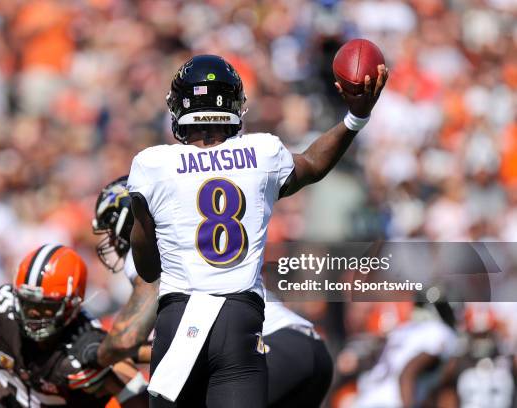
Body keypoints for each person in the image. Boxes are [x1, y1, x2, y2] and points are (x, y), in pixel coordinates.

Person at [99, 53, 385, 407]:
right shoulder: (262, 152)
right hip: (240, 320)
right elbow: (313, 163)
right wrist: (356, 118)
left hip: (180, 316)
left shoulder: (152, 164)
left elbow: (147, 265)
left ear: (179, 106)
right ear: (234, 105)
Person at [90, 176, 333, 407]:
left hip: (267, 347)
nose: (110, 242)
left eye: (110, 230)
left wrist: (94, 354)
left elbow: (126, 339)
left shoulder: (149, 254)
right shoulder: (186, 240)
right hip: (300, 349)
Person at [0, 244, 147, 408]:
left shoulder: (84, 348)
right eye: (27, 303)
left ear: (73, 305)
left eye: (45, 307)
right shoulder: (2, 309)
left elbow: (130, 384)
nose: (33, 313)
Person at [354, 302, 459, 408]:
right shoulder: (439, 331)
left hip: (366, 400)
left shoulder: (404, 329)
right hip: (391, 402)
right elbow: (407, 373)